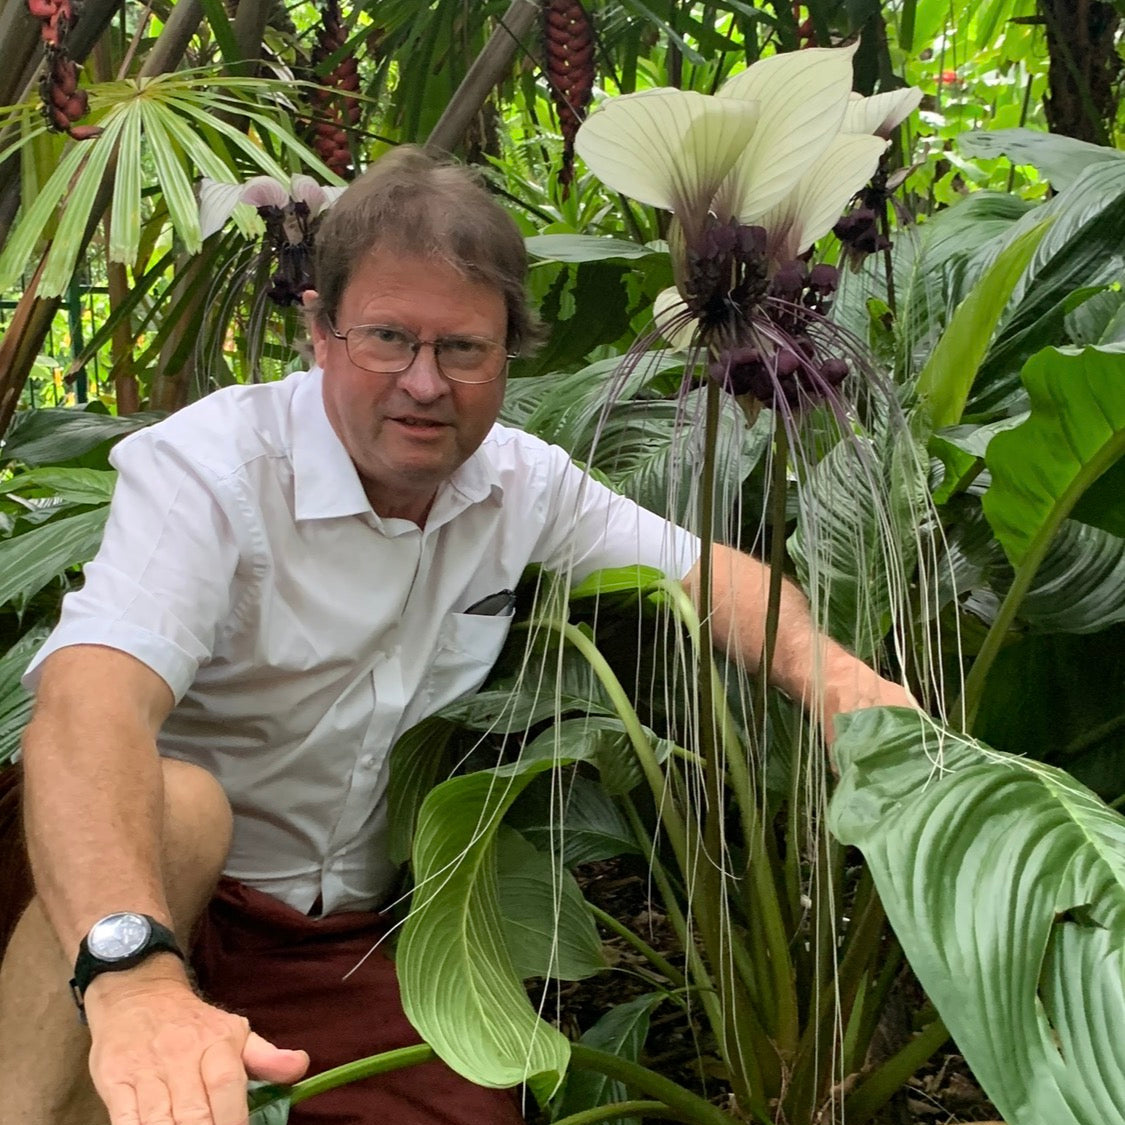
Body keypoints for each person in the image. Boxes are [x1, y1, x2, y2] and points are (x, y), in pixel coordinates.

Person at [0, 146, 912, 1125]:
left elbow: (708, 574)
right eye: (387, 338)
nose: (424, 383)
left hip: (323, 938)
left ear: (508, 351)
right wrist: (135, 977)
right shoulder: (213, 471)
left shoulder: (522, 483)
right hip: (124, 886)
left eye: (463, 349)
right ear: (319, 331)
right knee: (185, 810)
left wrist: (841, 684)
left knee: (472, 1110)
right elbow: (88, 706)